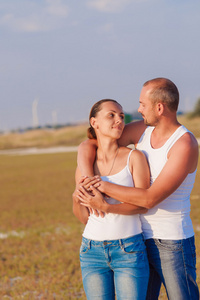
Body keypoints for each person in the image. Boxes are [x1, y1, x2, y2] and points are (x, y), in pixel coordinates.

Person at [77, 78, 199, 300]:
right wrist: (86, 177)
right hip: (138, 239)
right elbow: (92, 143)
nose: (139, 109)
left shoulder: (184, 144)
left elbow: (150, 199)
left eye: (143, 104)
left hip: (172, 243)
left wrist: (100, 185)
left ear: (159, 107)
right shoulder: (143, 130)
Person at [73, 99, 150, 300]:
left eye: (122, 116)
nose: (119, 120)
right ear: (94, 122)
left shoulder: (135, 157)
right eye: (111, 115)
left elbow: (143, 205)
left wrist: (106, 206)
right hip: (91, 250)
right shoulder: (85, 163)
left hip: (129, 250)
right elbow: (84, 217)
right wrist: (76, 199)